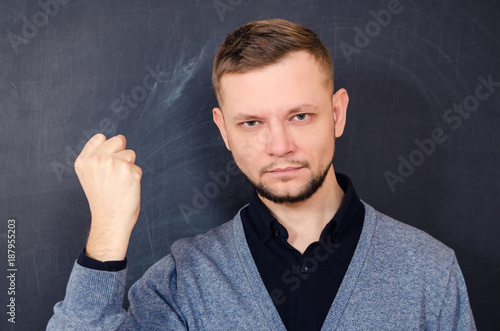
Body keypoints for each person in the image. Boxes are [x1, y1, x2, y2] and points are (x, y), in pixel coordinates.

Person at [48, 19, 476, 330]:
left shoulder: (429, 271)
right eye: (251, 123)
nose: (279, 145)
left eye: (300, 116)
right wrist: (107, 232)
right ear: (224, 131)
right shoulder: (183, 280)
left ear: (337, 113)